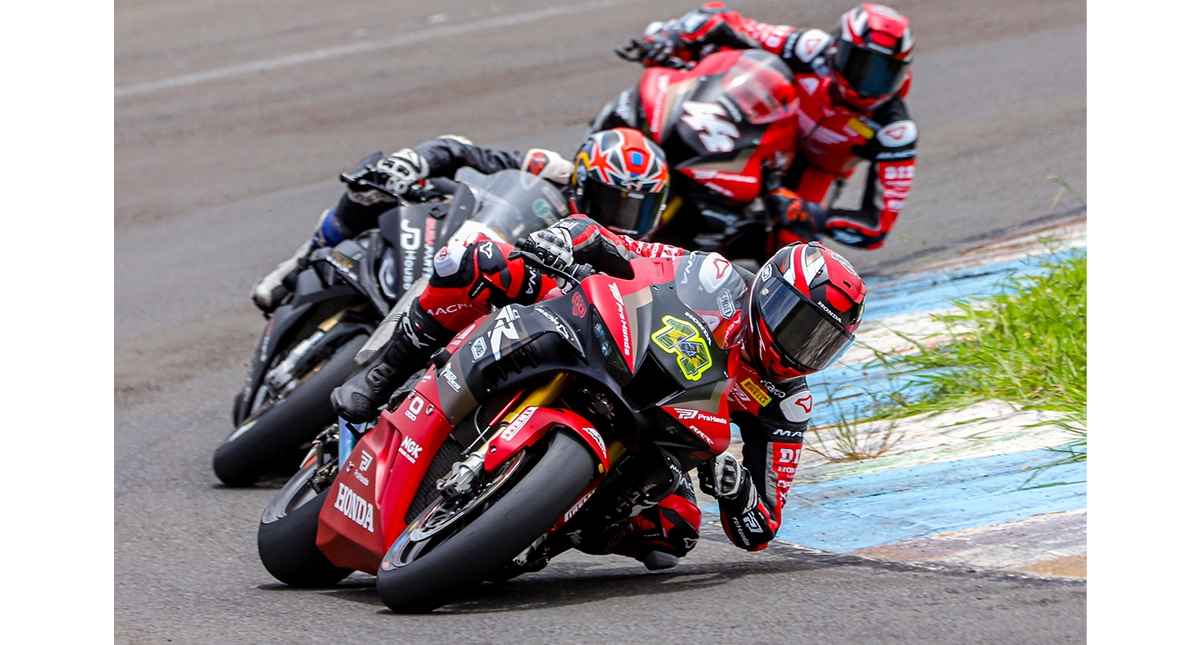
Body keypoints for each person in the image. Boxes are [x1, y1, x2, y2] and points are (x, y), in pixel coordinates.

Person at [331, 202, 866, 567]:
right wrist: (569, 238)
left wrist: (735, 487)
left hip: (667, 434)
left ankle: (544, 531)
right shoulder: (715, 277)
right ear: (769, 295)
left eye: (822, 342)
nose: (803, 348)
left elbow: (760, 526)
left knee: (676, 530)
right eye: (800, 325)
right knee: (479, 261)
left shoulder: (787, 399)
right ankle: (385, 372)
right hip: (610, 341)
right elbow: (624, 247)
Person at [631, 2, 918, 251]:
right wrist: (671, 36)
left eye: (885, 72)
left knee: (795, 243)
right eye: (864, 65)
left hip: (816, 173)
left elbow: (876, 227)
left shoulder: (893, 130)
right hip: (765, 131)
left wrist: (813, 215)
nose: (870, 84)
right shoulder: (809, 48)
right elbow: (722, 21)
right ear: (837, 48)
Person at [250, 134, 579, 313]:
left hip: (499, 285)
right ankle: (294, 268)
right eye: (613, 197)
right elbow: (460, 149)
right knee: (371, 184)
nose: (618, 212)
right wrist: (415, 161)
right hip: (459, 228)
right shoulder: (553, 168)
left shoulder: (610, 238)